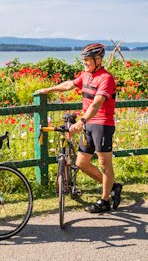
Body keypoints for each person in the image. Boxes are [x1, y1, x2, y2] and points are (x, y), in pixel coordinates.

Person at [35, 43, 122, 213]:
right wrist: (48, 89)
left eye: (88, 60)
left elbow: (96, 104)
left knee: (105, 164)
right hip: (88, 124)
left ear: (98, 59)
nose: (85, 63)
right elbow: (69, 85)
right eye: (84, 60)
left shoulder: (106, 78)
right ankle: (113, 187)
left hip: (102, 125)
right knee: (81, 163)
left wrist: (81, 121)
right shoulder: (86, 76)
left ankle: (104, 201)